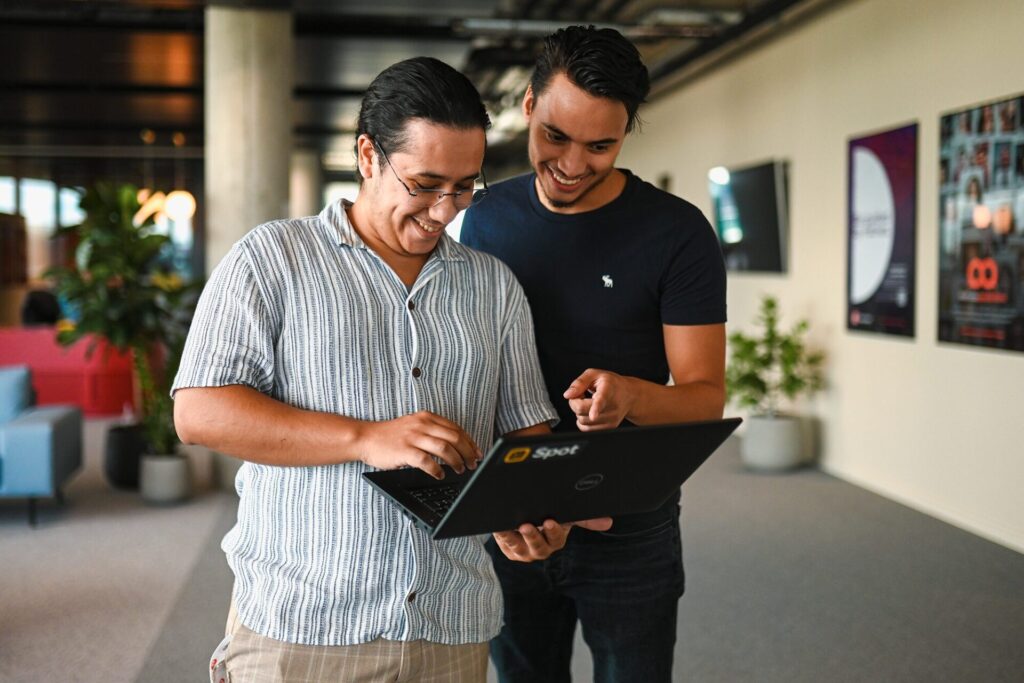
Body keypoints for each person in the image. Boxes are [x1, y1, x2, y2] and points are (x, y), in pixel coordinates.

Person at [173, 56, 608, 683]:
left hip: (449, 625)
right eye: (425, 183)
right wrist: (366, 438)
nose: (444, 210)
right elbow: (198, 412)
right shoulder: (271, 259)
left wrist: (533, 515)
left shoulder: (493, 286)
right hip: (302, 628)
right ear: (369, 156)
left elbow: (524, 432)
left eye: (464, 187)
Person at [461, 26, 727, 683]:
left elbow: (704, 397)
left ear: (628, 133)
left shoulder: (678, 232)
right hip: (516, 508)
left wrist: (632, 395)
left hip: (628, 519)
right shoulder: (487, 215)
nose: (574, 163)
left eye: (600, 145)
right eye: (556, 136)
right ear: (527, 104)